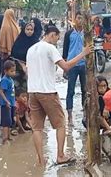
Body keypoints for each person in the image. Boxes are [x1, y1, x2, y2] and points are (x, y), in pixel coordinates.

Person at [26, 26, 92, 166]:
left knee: (37, 128)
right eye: (57, 37)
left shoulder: (31, 49)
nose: (57, 40)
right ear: (52, 35)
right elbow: (66, 67)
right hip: (47, 92)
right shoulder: (50, 48)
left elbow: (28, 70)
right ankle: (60, 155)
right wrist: (83, 53)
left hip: (32, 92)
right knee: (61, 123)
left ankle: (41, 160)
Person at [62, 12, 86, 125]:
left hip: (84, 64)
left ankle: (85, 113)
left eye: (82, 18)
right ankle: (70, 116)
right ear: (75, 19)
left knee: (85, 90)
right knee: (70, 90)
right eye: (78, 18)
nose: (80, 20)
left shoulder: (87, 33)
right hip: (72, 65)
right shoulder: (69, 34)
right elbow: (65, 51)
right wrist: (64, 68)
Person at [11, 18, 43, 93]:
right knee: (18, 89)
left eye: (31, 30)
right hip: (19, 69)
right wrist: (23, 66)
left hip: (32, 69)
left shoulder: (36, 42)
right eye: (27, 29)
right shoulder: (19, 41)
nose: (29, 31)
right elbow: (15, 54)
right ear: (24, 30)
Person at [0, 60, 17, 144]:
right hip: (6, 104)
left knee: (10, 122)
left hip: (11, 103)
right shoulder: (5, 80)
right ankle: (4, 139)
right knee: (6, 123)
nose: (14, 73)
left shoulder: (10, 79)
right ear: (5, 71)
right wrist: (6, 101)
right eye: (11, 71)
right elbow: (1, 91)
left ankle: (8, 137)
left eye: (14, 71)